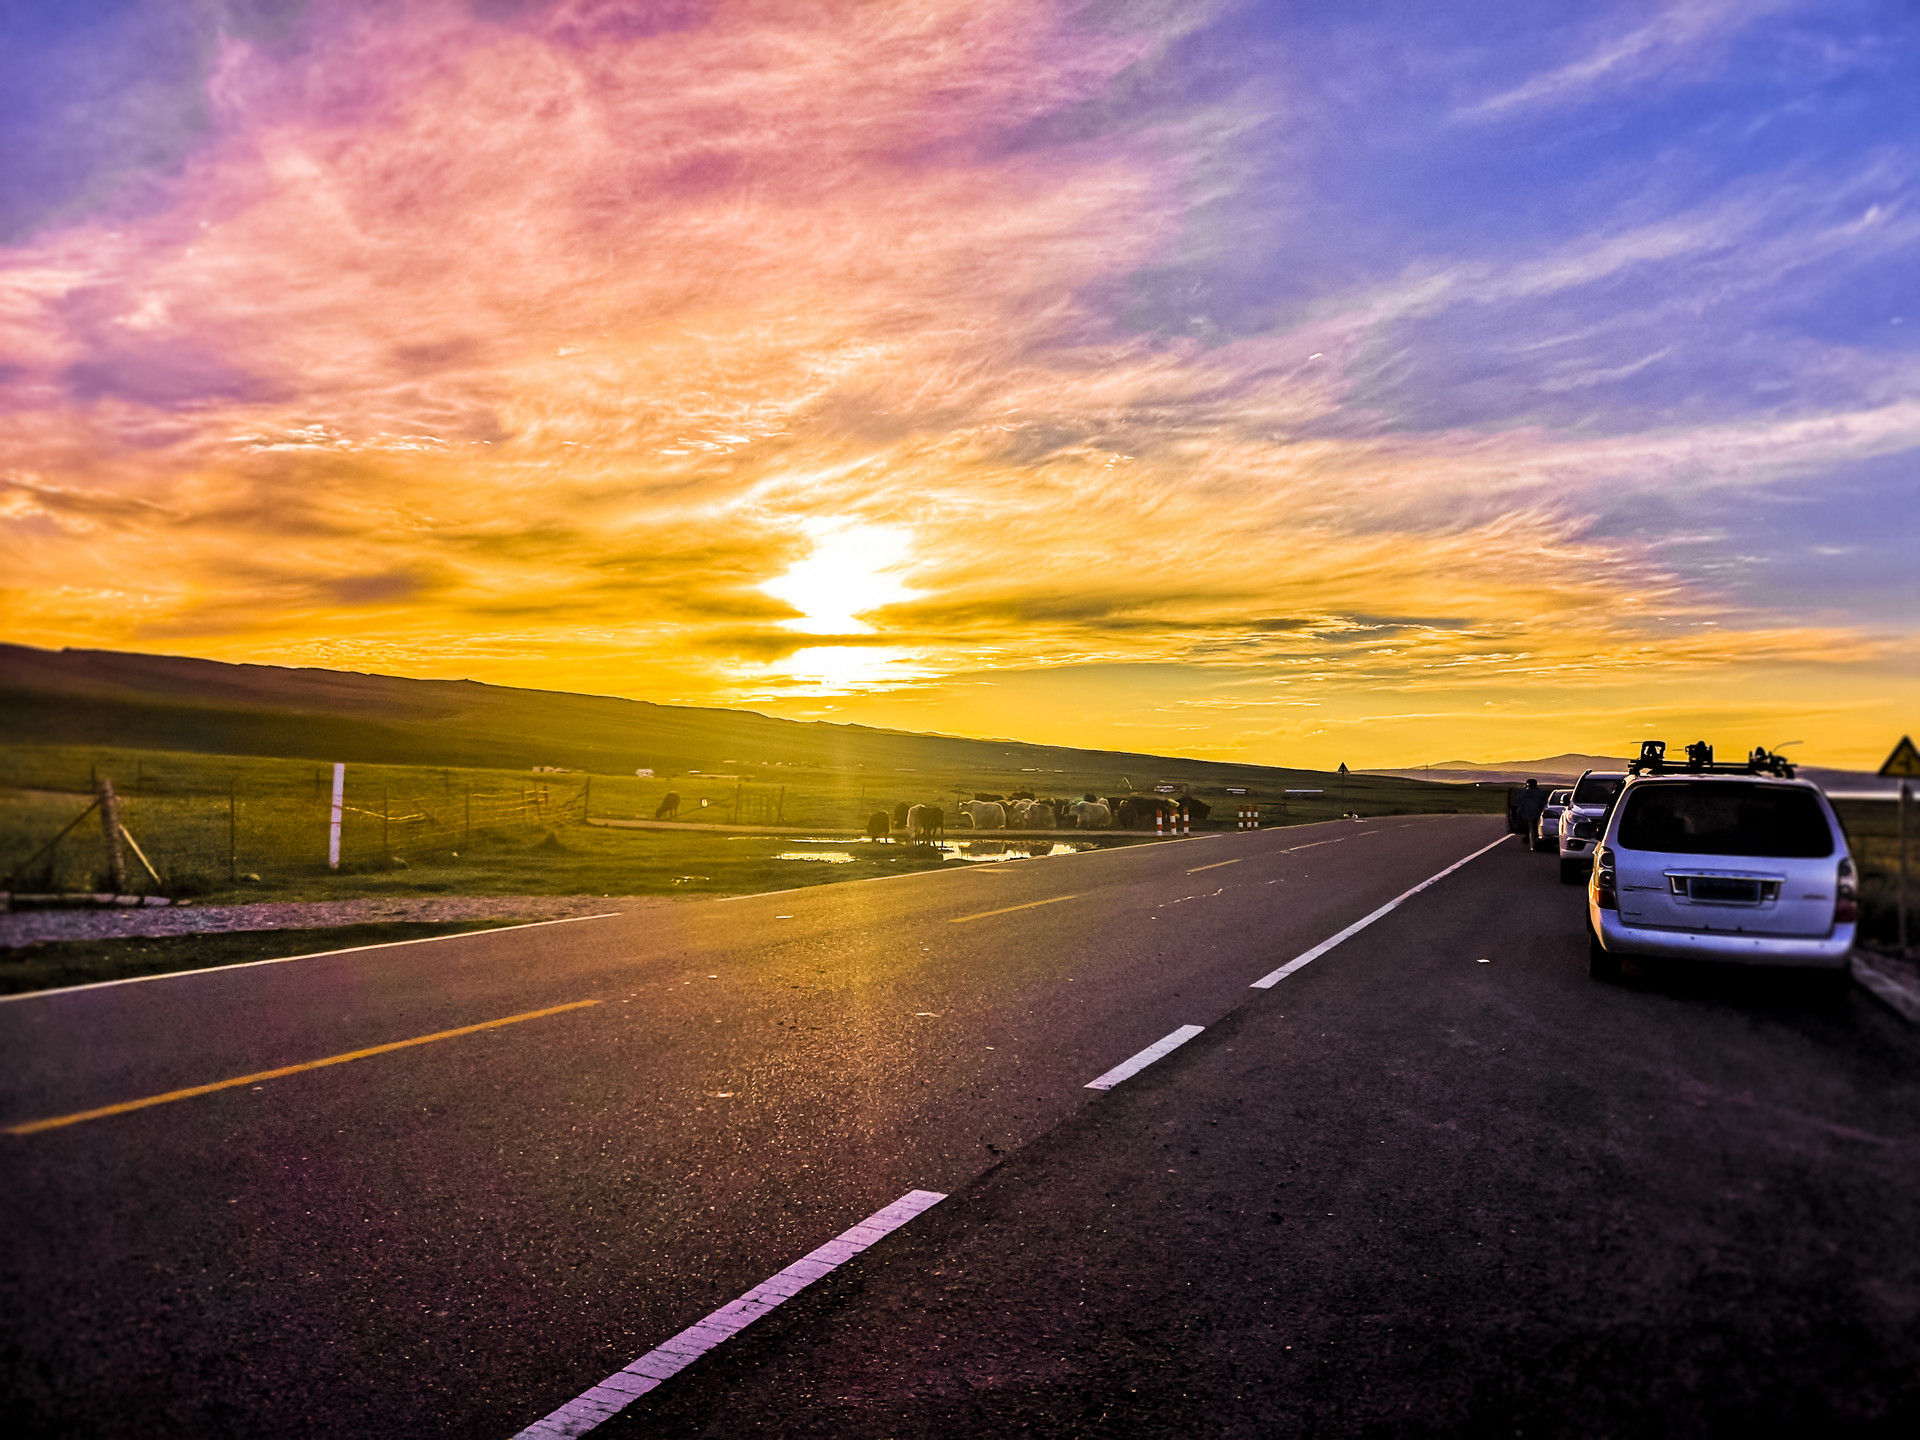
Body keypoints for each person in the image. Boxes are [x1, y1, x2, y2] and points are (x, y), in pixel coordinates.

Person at [1514, 778, 1548, 843]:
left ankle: (1533, 843)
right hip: (1538, 813)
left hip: (1527, 813)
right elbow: (1544, 802)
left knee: (1531, 827)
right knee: (1536, 827)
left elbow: (1518, 801)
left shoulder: (1524, 793)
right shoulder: (1539, 793)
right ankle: (1535, 840)